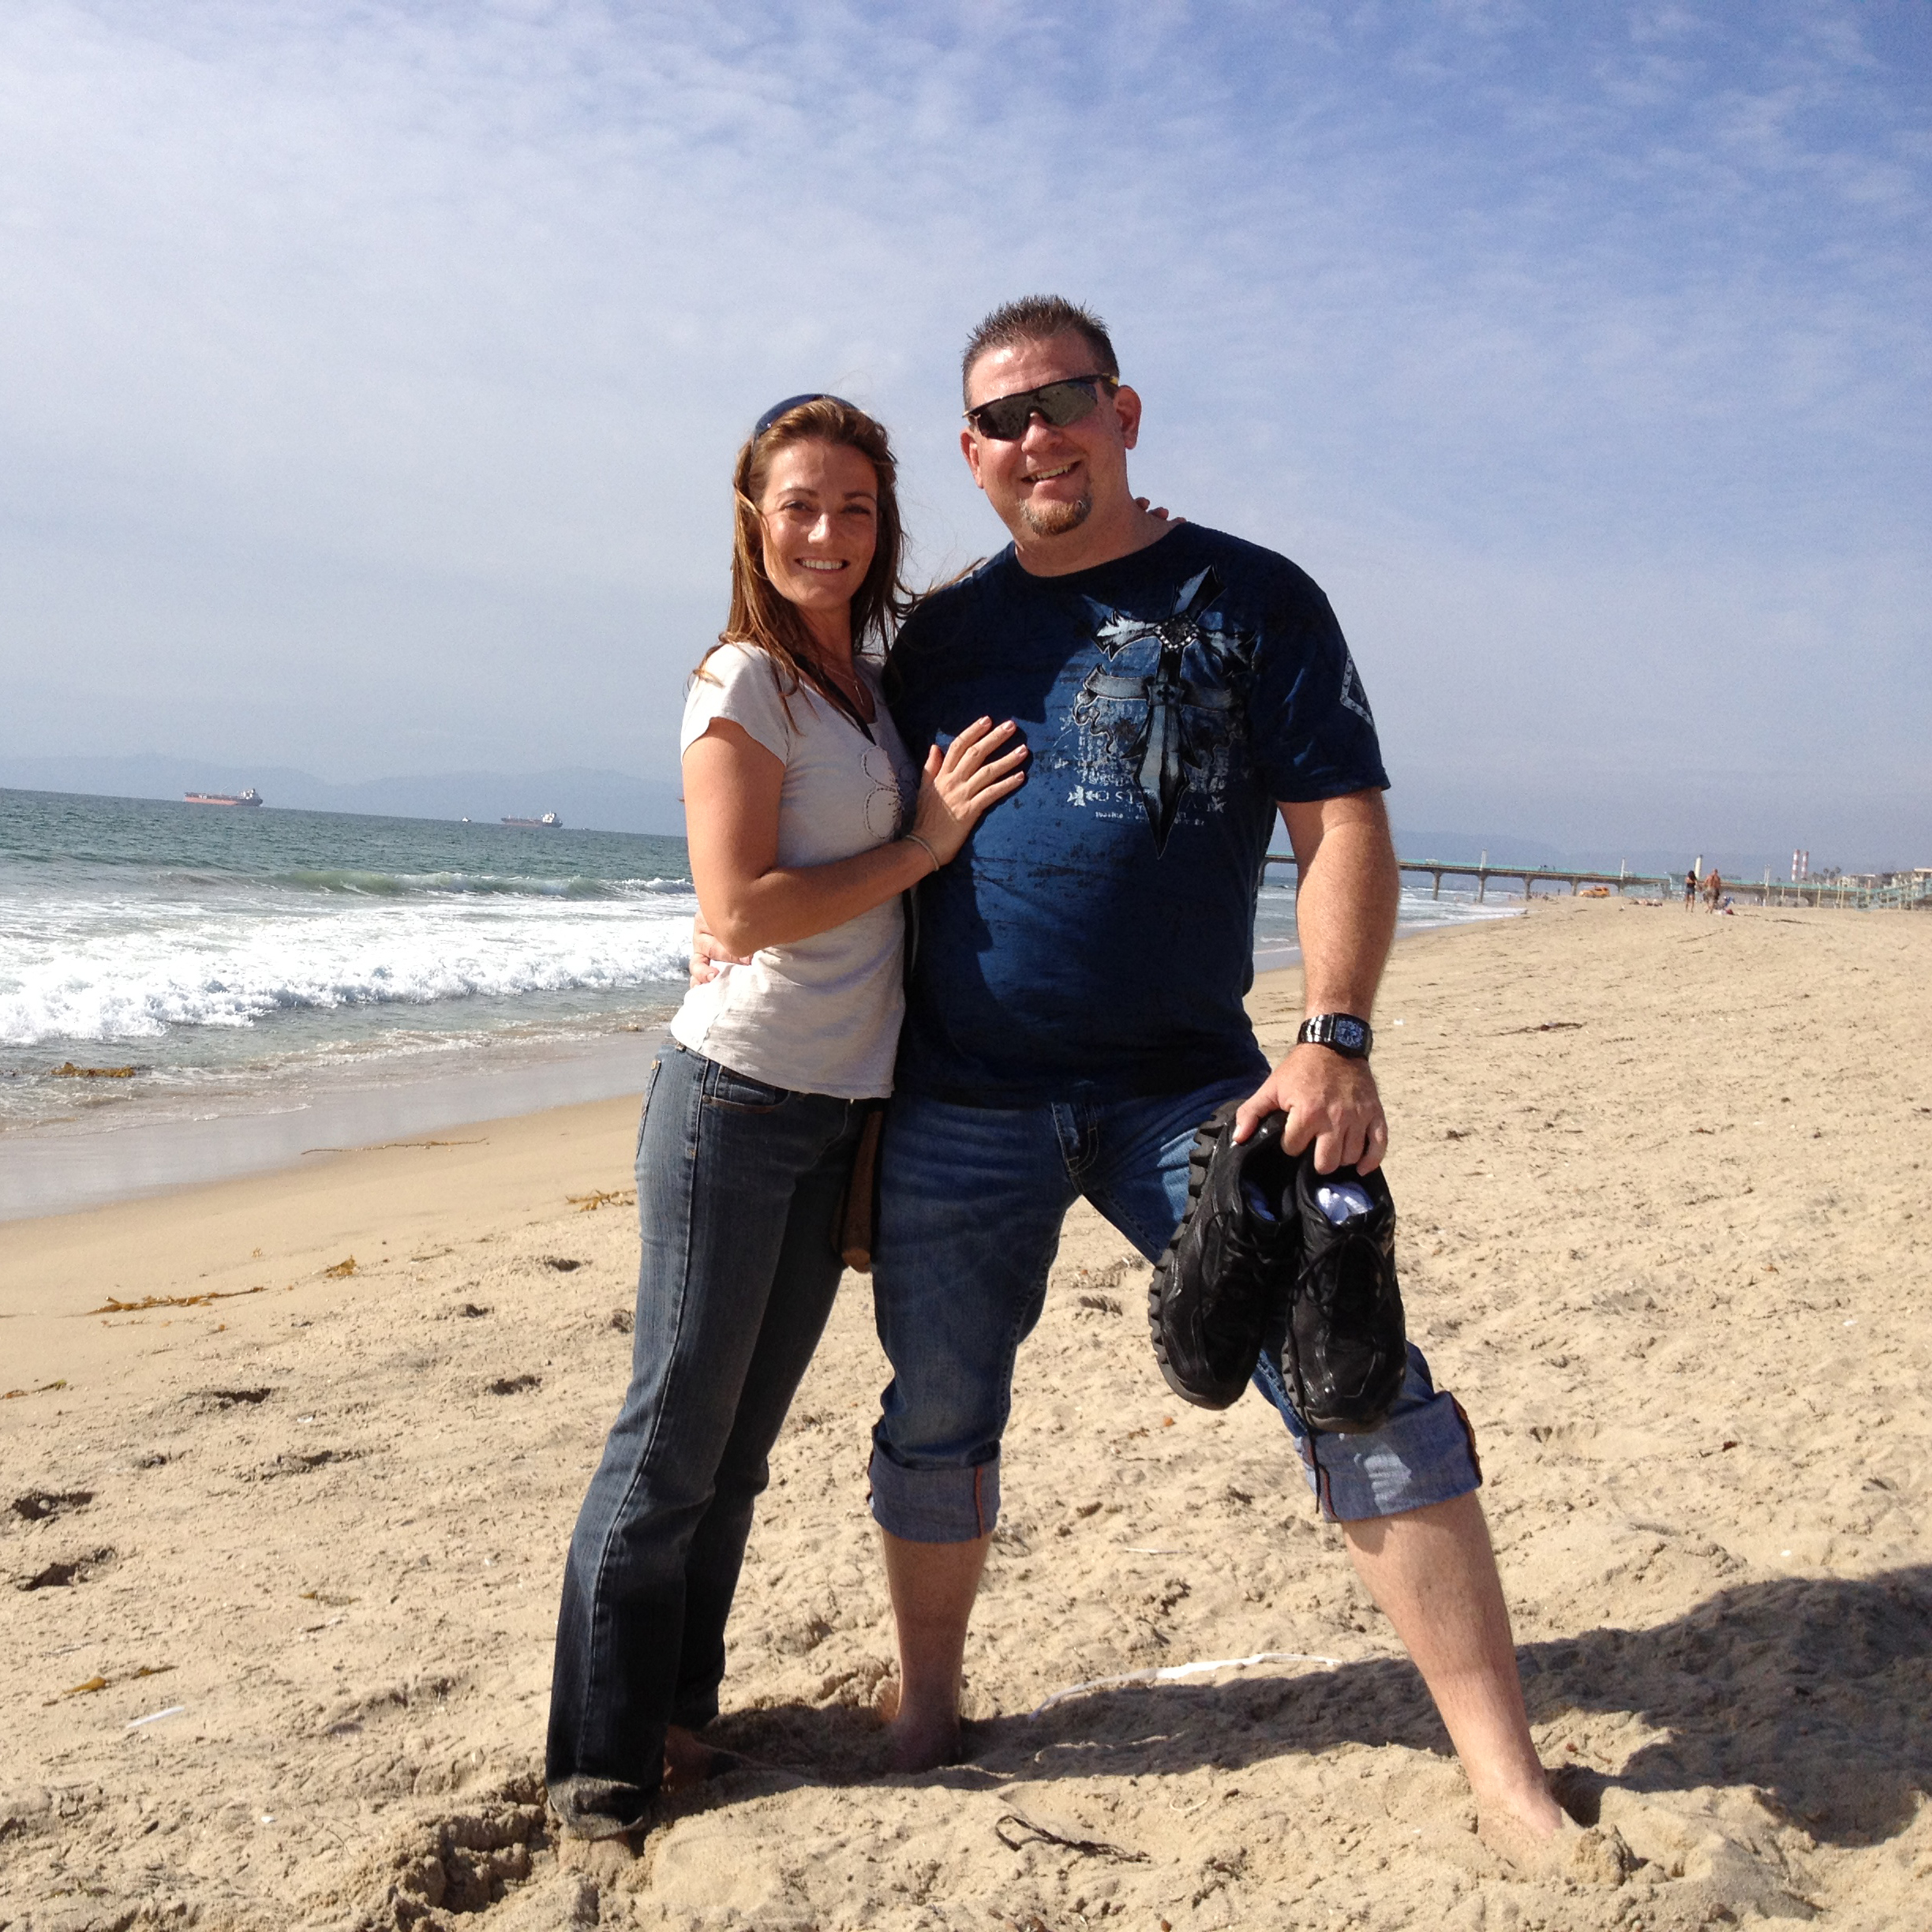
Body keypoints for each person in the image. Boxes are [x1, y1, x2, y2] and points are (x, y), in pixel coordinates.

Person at [864, 296, 1574, 1859]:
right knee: (938, 1411)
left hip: (1194, 1093)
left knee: (1357, 1380)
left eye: (1063, 402)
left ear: (1123, 413)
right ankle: (927, 1707)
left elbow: (1342, 827)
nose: (1036, 438)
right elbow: (861, 837)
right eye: (1000, 420)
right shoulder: (940, 637)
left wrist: (1335, 1034)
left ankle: (1505, 1773)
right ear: (971, 455)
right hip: (959, 1098)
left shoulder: (1254, 597)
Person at [545, 395, 1027, 1843]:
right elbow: (739, 907)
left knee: (741, 1449)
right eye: (801, 505)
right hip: (736, 1103)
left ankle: (680, 1716)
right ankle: (599, 1760)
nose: (828, 532)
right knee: (667, 1441)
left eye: (856, 508)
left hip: (839, 1111)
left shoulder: (864, 687)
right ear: (754, 519)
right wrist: (924, 844)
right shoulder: (741, 680)